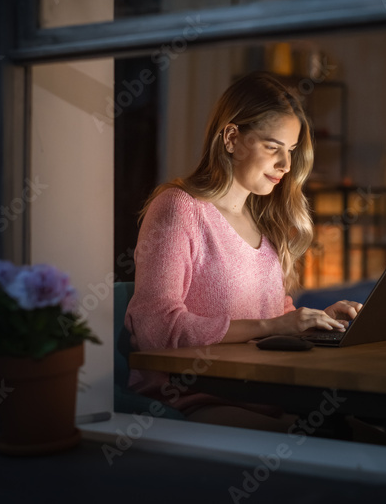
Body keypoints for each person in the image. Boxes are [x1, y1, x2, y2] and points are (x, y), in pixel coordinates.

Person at [124, 71, 366, 434]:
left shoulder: (261, 219)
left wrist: (310, 321)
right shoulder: (178, 208)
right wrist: (273, 326)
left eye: (291, 151)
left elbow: (271, 314)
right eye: (273, 147)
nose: (286, 165)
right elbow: (155, 330)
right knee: (341, 445)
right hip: (196, 399)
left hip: (264, 395)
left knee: (369, 441)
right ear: (232, 138)